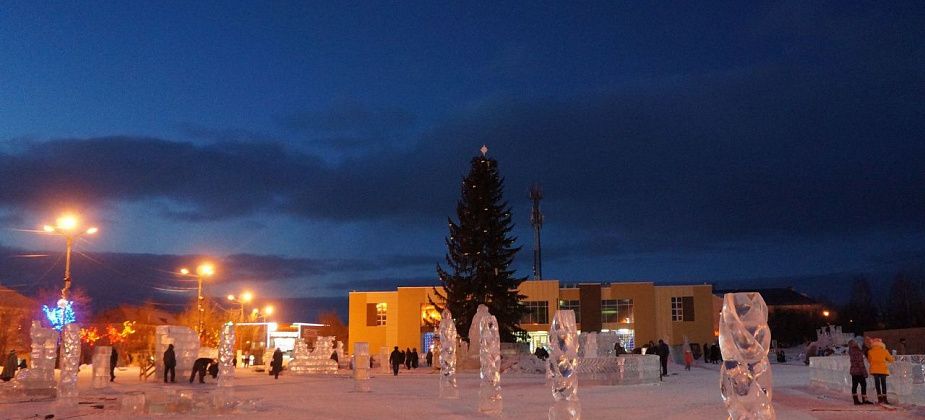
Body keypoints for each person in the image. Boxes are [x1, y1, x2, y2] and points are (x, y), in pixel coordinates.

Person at [867, 338, 894, 404]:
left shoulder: (870, 351)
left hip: (874, 370)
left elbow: (869, 361)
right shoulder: (885, 351)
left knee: (877, 384)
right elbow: (891, 360)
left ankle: (879, 399)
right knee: (883, 384)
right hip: (883, 369)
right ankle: (885, 399)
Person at [848, 340, 873, 405]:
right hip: (859, 371)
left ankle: (855, 400)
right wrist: (865, 373)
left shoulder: (851, 351)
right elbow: (860, 363)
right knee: (863, 385)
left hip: (853, 371)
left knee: (854, 386)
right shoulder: (857, 351)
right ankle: (864, 400)